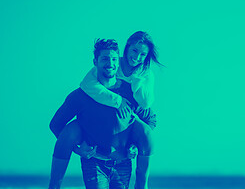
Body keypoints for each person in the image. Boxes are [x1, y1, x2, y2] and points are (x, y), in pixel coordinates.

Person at [49, 32, 161, 189]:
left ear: (118, 61)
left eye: (114, 59)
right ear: (95, 61)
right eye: (105, 59)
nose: (110, 63)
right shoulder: (81, 94)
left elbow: (151, 120)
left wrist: (134, 145)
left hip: (123, 163)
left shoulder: (129, 91)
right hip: (94, 163)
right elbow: (56, 124)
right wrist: (79, 148)